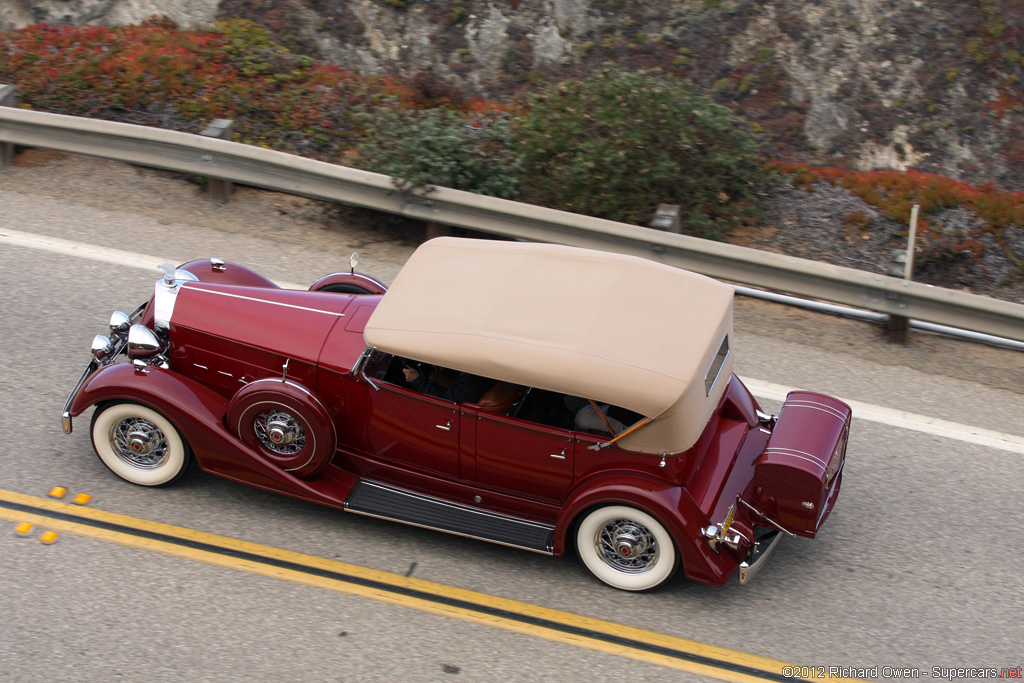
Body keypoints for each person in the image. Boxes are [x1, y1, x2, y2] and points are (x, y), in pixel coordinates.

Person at [402, 363, 493, 404]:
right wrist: (445, 368)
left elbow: (446, 401)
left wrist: (417, 381)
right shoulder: (482, 368)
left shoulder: (471, 381)